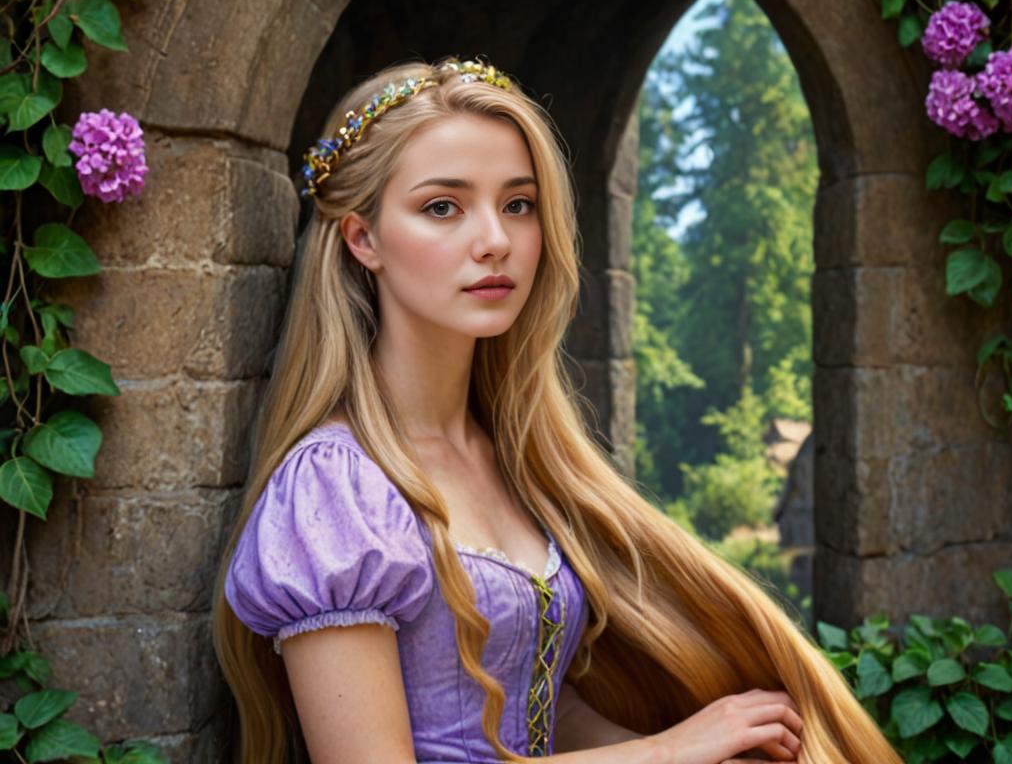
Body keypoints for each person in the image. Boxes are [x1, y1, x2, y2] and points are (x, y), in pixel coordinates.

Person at [211, 57, 902, 764]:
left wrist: (695, 754)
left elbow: (536, 709)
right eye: (443, 206)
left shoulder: (512, 457)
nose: (496, 241)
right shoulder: (335, 490)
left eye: (518, 204)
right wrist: (668, 752)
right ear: (363, 239)